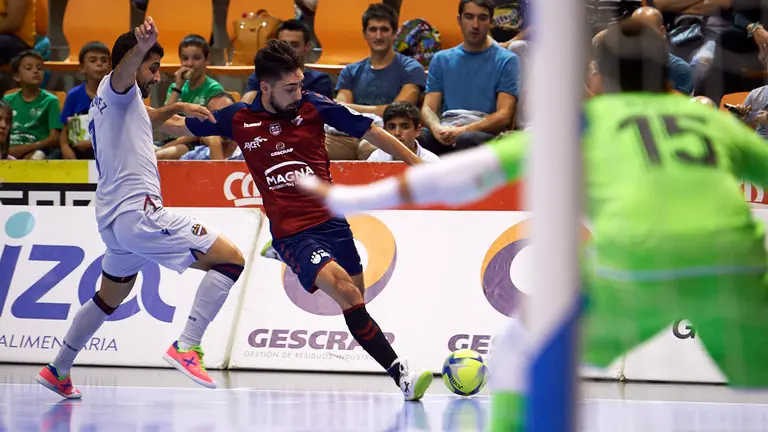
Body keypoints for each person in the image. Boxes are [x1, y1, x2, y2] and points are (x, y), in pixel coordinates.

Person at [299, 21, 768, 429]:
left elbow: (459, 176)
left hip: (640, 266)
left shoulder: (587, 122)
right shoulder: (709, 121)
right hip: (736, 266)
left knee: (519, 358)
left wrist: (353, 196)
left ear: (600, 79)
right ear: (665, 75)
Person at [160, 40, 433, 402]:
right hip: (292, 231)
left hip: (332, 223)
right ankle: (403, 376)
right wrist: (137, 109)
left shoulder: (313, 106)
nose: (298, 93)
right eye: (290, 88)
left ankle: (281, 255)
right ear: (265, 88)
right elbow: (178, 128)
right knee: (347, 293)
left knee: (357, 302)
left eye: (300, 84)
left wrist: (415, 164)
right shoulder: (238, 118)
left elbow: (370, 131)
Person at [35, 17, 246, 399]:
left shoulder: (116, 102)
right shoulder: (116, 84)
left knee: (108, 297)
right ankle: (187, 346)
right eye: (152, 68)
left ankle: (58, 368)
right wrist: (141, 43)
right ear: (131, 65)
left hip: (114, 223)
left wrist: (178, 107)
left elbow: (150, 118)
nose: (156, 76)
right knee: (230, 260)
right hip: (140, 213)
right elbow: (125, 70)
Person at [57, 42, 112, 160]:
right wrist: (65, 147)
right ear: (82, 68)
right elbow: (65, 130)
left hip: (107, 150)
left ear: (110, 67)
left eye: (104, 60)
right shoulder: (74, 95)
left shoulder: (116, 96)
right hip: (77, 149)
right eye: (93, 60)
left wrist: (92, 144)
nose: (99, 64)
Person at [367, 101, 439, 163]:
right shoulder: (376, 158)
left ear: (417, 130)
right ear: (384, 130)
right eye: (392, 127)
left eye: (404, 127)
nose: (397, 133)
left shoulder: (432, 162)